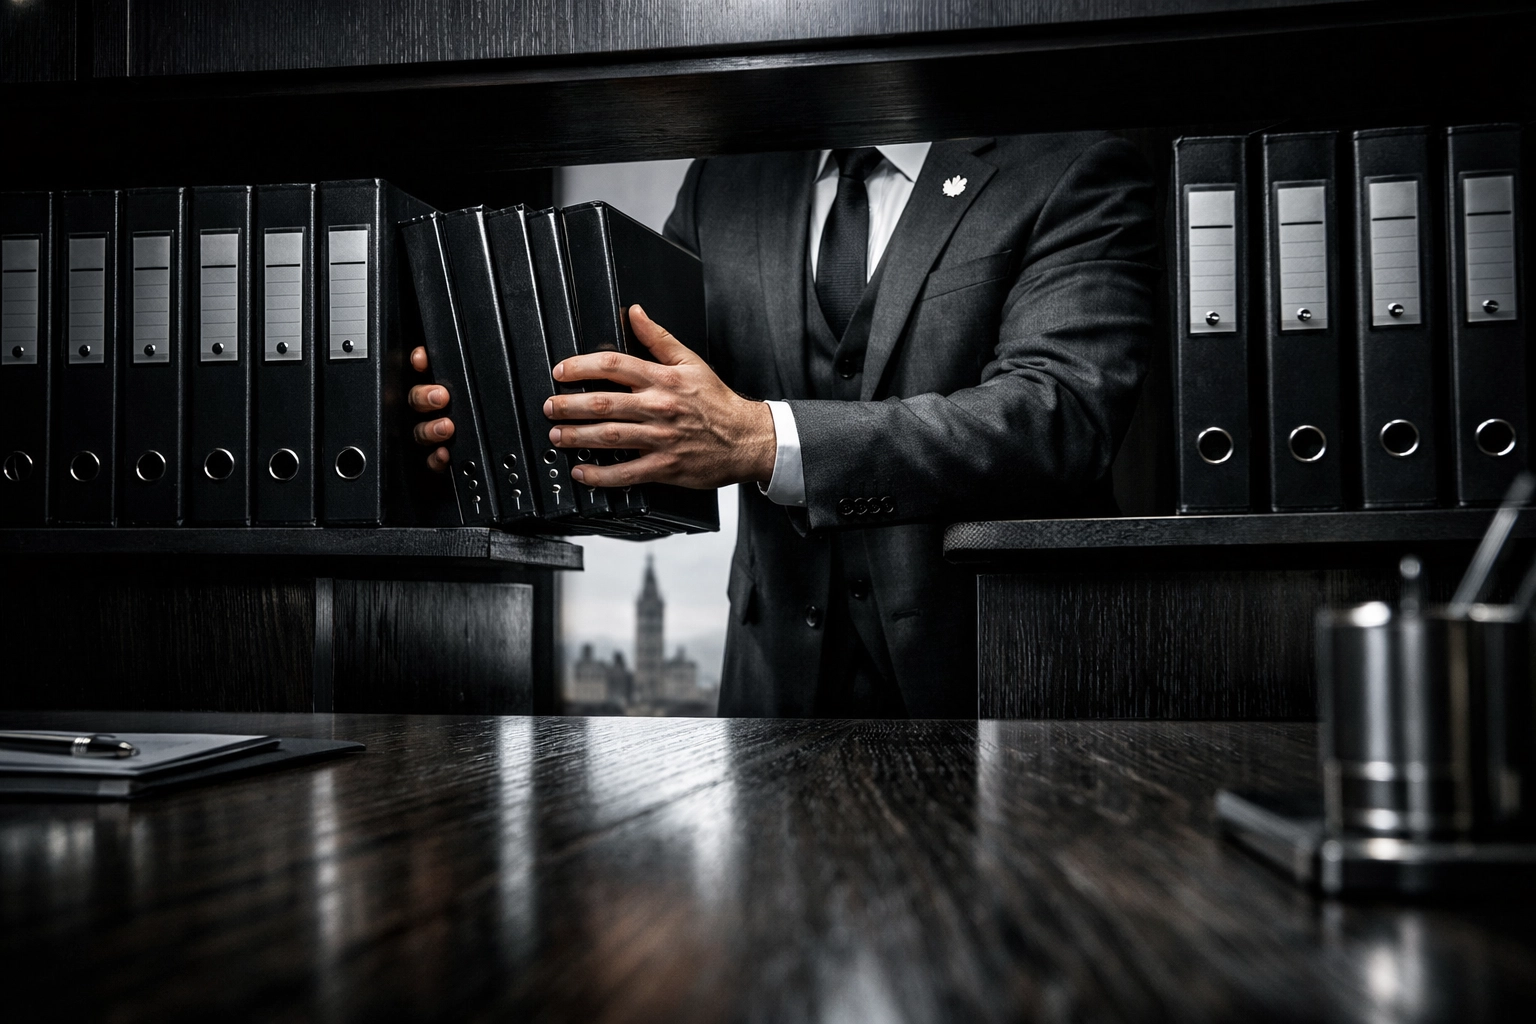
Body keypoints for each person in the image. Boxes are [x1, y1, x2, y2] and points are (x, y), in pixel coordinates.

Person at [410, 134, 1157, 718]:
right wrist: (488, 429)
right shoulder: (725, 182)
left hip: (1002, 686)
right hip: (772, 691)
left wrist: (766, 440)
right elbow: (653, 421)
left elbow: (1058, 415)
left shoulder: (1069, 164)